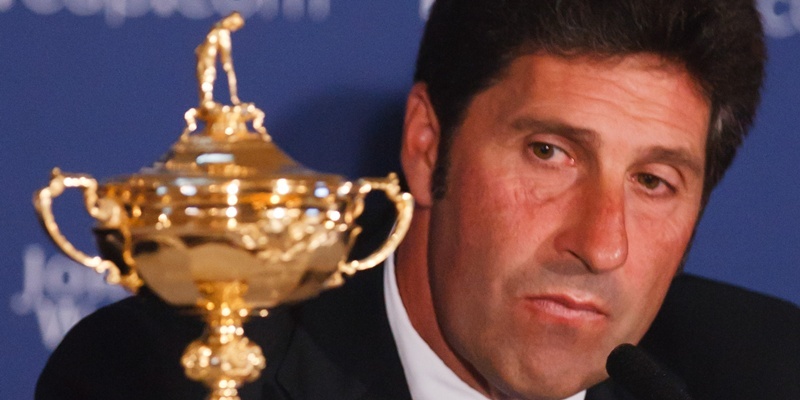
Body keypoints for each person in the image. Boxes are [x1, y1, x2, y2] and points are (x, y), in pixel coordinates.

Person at [37, 1, 800, 399]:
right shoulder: (171, 376)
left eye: (653, 183)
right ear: (428, 143)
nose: (601, 244)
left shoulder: (763, 374)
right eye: (549, 153)